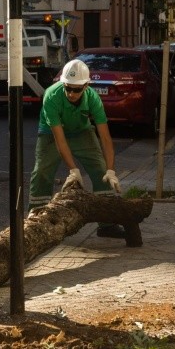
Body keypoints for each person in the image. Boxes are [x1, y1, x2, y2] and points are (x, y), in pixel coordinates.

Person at [27, 59, 124, 238]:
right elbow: (60, 140)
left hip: (81, 131)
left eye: (76, 89)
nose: (71, 93)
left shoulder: (93, 99)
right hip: (51, 133)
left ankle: (107, 224)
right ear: (63, 83)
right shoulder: (51, 96)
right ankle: (36, 222)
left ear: (86, 86)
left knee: (100, 171)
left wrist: (111, 170)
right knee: (41, 172)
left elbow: (105, 137)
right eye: (68, 88)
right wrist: (73, 170)